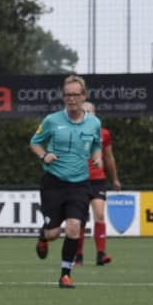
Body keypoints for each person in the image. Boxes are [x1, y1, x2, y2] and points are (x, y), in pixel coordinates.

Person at [30, 75, 102, 289]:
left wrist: (97, 156)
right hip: (54, 183)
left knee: (74, 228)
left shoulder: (94, 122)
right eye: (67, 95)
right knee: (53, 233)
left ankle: (65, 274)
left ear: (84, 96)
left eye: (75, 95)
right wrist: (44, 156)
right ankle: (43, 237)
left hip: (80, 184)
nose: (71, 99)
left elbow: (96, 144)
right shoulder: (52, 120)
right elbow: (35, 143)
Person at [76, 101, 121, 266]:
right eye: (84, 111)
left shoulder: (104, 134)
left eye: (90, 111)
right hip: (78, 180)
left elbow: (109, 158)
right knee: (79, 219)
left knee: (100, 215)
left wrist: (114, 178)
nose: (87, 113)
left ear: (95, 114)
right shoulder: (74, 132)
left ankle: (101, 254)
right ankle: (78, 256)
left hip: (98, 181)